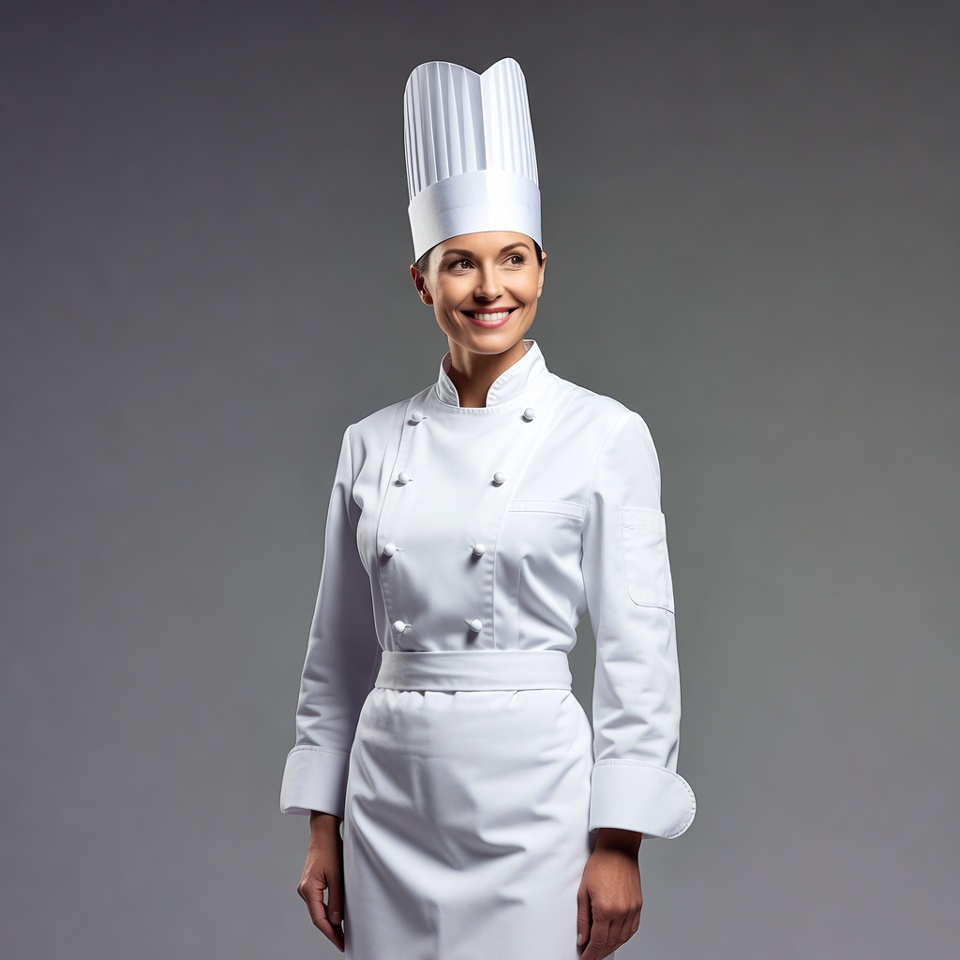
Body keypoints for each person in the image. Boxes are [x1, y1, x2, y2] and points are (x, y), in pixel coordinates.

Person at [280, 58, 695, 960]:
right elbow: (337, 653)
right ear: (423, 283)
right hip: (387, 799)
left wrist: (617, 838)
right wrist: (323, 826)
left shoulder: (603, 433)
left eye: (512, 258)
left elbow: (638, 644)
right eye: (459, 264)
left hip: (533, 796)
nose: (488, 288)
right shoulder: (371, 442)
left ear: (543, 267)